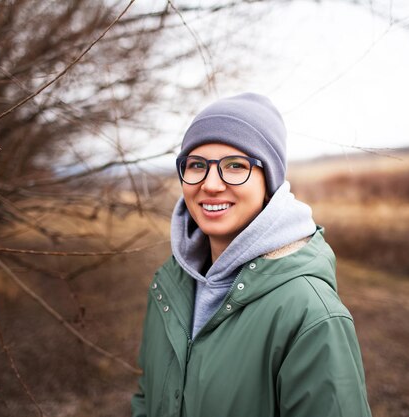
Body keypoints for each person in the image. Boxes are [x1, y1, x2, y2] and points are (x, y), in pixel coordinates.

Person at [131, 93, 371, 417]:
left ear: (268, 181)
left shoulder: (309, 314)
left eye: (235, 166)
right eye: (197, 165)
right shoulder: (168, 286)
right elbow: (147, 399)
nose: (211, 184)